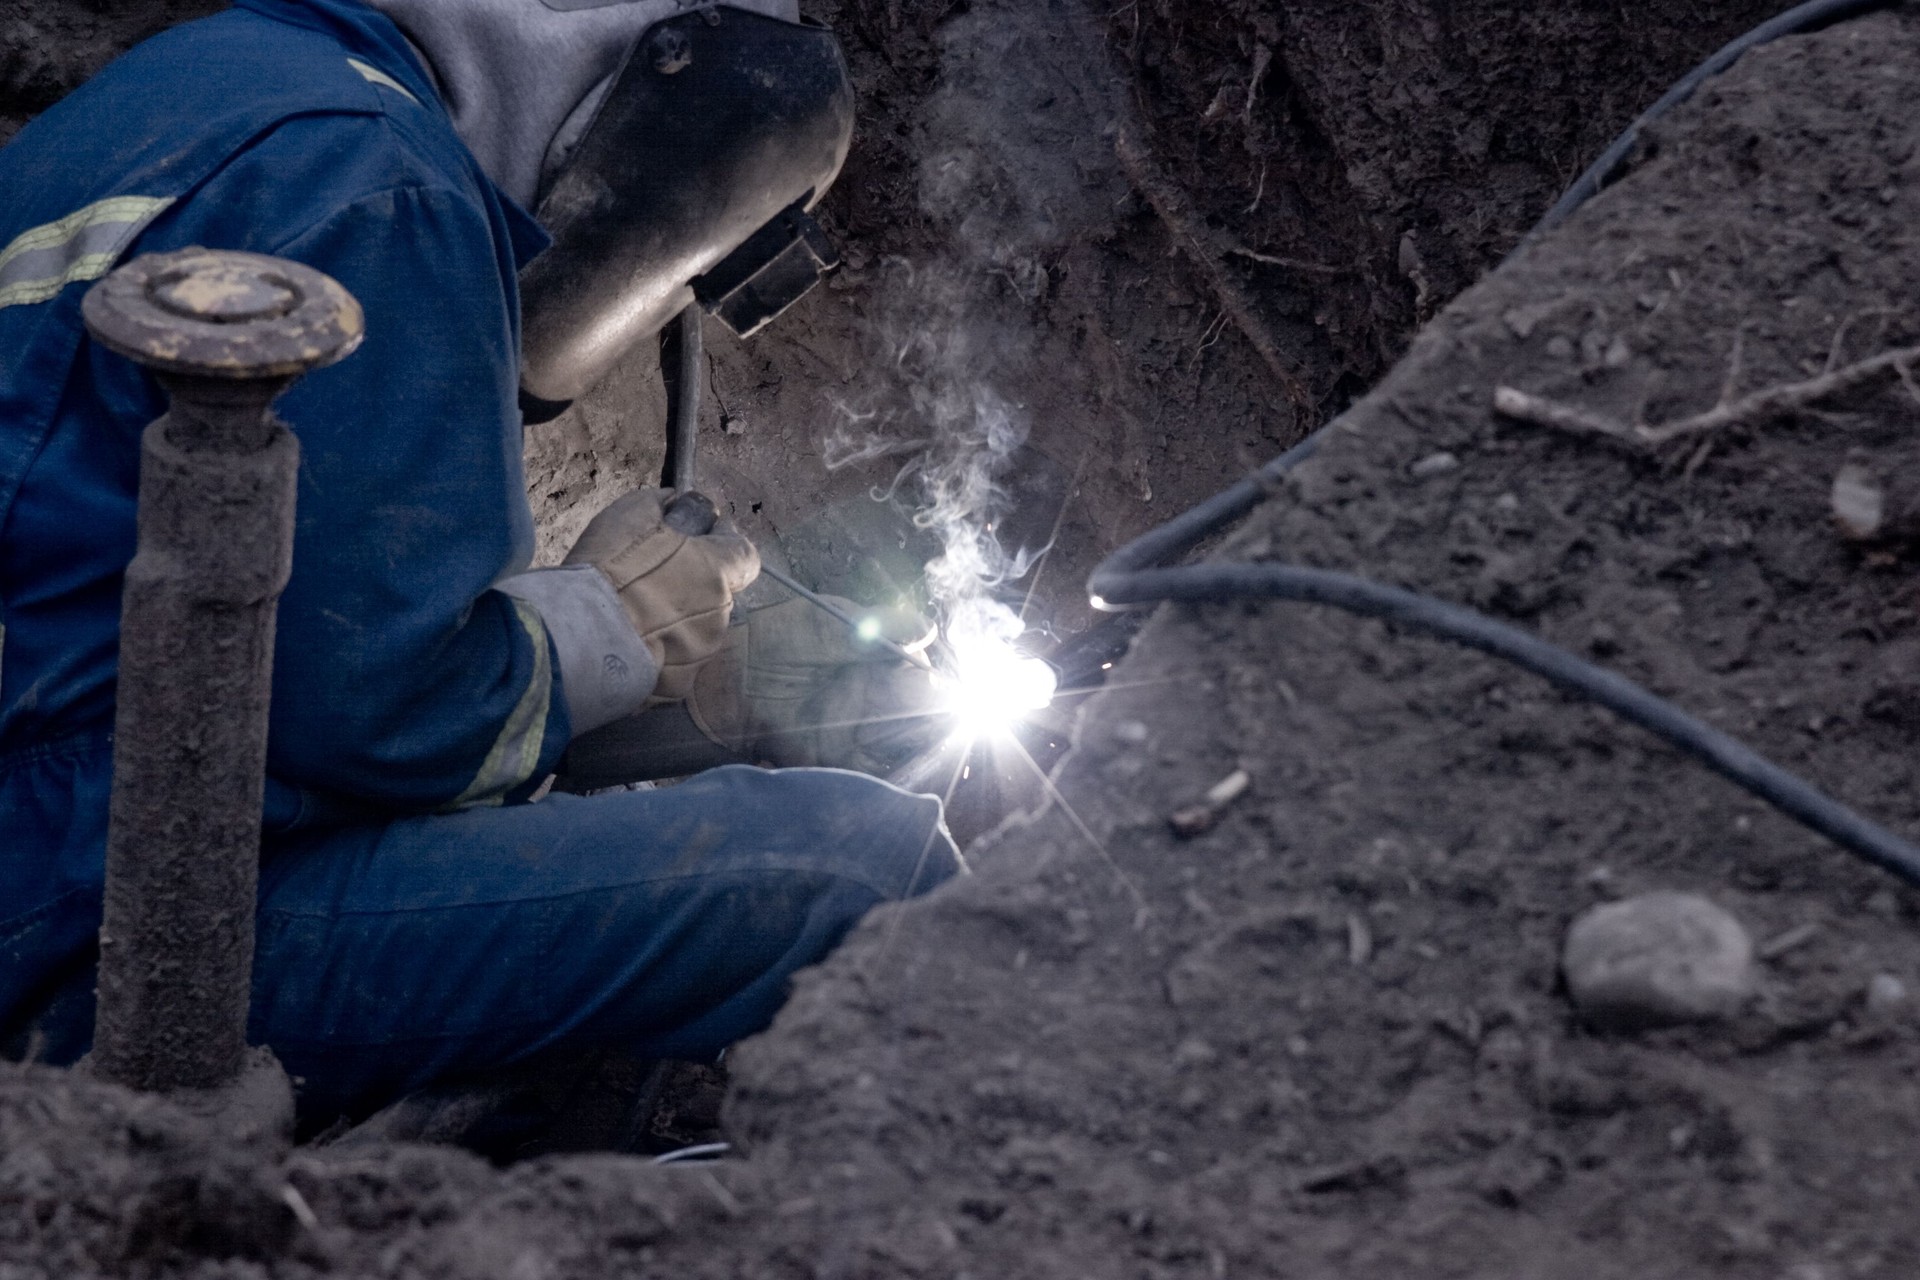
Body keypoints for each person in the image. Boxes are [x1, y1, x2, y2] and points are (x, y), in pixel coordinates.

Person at [0, 0, 959, 1120]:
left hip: (61, 826)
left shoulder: (220, 81)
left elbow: (269, 621)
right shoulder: (383, 186)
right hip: (103, 927)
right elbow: (383, 720)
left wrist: (667, 680)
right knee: (855, 871)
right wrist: (614, 622)